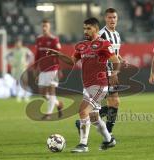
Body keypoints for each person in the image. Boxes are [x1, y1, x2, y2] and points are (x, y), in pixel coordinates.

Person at [47, 17, 120, 152]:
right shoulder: (81, 45)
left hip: (99, 85)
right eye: (84, 28)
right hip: (87, 86)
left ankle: (83, 144)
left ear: (96, 29)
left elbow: (116, 61)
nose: (85, 31)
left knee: (82, 111)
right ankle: (109, 140)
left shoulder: (104, 44)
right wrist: (58, 54)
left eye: (89, 28)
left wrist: (114, 74)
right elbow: (71, 61)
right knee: (94, 118)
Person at [75, 8, 123, 138]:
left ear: (117, 19)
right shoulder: (101, 34)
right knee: (113, 102)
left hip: (110, 72)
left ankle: (93, 126)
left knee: (113, 102)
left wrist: (121, 59)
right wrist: (112, 73)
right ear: (105, 19)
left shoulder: (117, 34)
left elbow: (113, 53)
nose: (112, 20)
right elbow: (99, 52)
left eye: (114, 17)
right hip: (104, 74)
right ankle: (108, 133)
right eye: (109, 17)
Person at [35, 19, 63, 118]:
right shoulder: (38, 39)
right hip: (43, 70)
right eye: (43, 26)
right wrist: (35, 68)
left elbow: (58, 55)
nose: (44, 28)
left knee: (51, 91)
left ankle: (49, 114)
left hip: (53, 69)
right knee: (42, 94)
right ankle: (58, 104)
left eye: (46, 26)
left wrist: (59, 69)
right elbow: (37, 55)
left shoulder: (54, 40)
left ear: (49, 27)